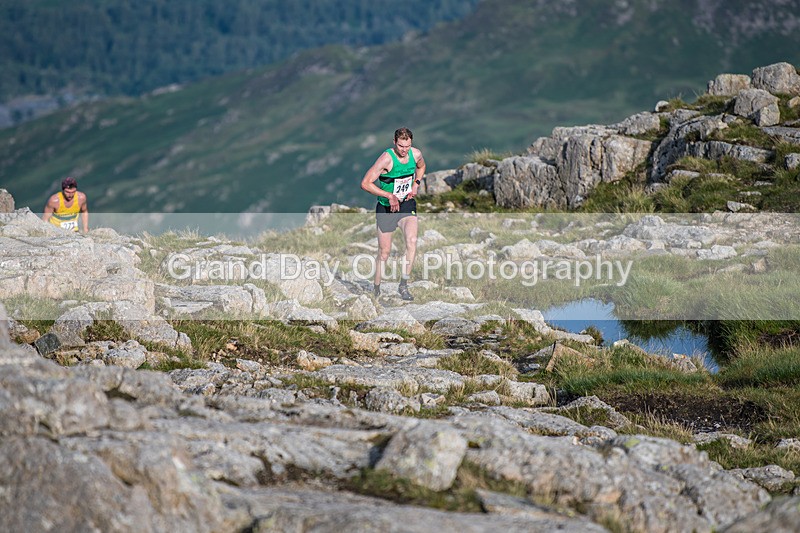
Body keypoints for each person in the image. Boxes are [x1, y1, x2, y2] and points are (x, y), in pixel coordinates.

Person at [360, 127, 426, 301]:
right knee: (384, 253)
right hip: (386, 208)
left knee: (412, 241)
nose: (404, 150)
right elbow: (365, 183)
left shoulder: (416, 154)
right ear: (394, 143)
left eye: (407, 146)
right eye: (401, 146)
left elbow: (421, 167)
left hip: (406, 204)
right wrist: (389, 195)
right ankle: (376, 289)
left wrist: (416, 184)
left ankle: (403, 286)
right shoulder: (386, 159)